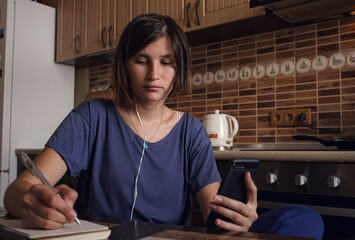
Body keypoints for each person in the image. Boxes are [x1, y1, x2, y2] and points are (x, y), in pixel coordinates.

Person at [4, 13, 324, 239]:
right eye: (142, 60)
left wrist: (238, 219)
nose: (154, 74)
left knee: (305, 220)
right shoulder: (92, 116)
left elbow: (216, 217)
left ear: (178, 68)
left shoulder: (191, 131)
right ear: (125, 65)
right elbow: (16, 191)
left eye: (166, 62)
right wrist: (30, 203)